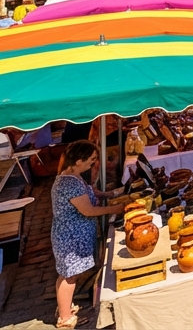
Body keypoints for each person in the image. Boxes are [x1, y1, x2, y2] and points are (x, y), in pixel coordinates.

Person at [51, 141, 124, 328]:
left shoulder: (73, 176)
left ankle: (64, 307)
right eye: (91, 161)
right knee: (70, 276)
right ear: (77, 161)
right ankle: (65, 319)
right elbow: (88, 210)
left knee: (67, 274)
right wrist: (117, 207)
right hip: (70, 238)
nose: (93, 164)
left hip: (73, 234)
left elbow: (92, 193)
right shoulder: (68, 183)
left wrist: (110, 194)